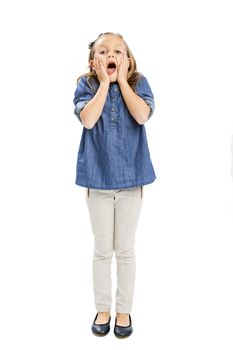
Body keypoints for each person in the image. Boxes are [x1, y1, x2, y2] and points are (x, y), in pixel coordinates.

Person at [73, 32, 156, 338]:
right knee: (101, 249)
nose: (111, 54)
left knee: (125, 249)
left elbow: (142, 115)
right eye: (103, 51)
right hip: (98, 179)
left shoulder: (138, 83)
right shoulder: (87, 85)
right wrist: (105, 83)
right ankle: (102, 308)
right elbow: (89, 120)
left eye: (118, 51)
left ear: (128, 59)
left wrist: (121, 81)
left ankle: (124, 310)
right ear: (94, 60)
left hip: (131, 179)